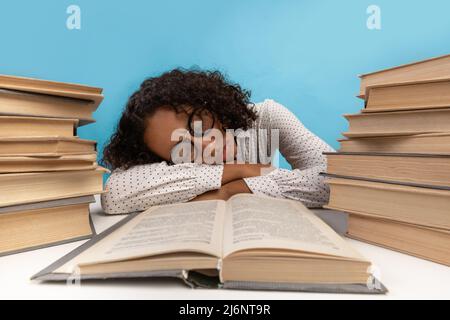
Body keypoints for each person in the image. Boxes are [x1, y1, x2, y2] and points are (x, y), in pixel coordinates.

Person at [101, 69, 334, 214]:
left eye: (197, 125)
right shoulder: (168, 165)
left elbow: (336, 181)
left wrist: (233, 190)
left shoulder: (267, 116)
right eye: (181, 148)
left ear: (209, 103)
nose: (205, 145)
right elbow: (113, 194)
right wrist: (240, 169)